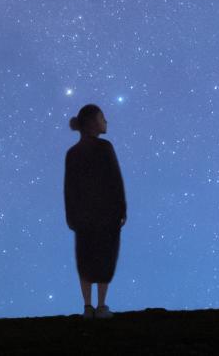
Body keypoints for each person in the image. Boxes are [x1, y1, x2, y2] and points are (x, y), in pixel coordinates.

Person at [64, 103, 127, 320]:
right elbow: (115, 180)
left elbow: (69, 189)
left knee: (86, 259)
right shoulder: (104, 148)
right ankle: (99, 306)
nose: (106, 121)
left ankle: (88, 307)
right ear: (93, 123)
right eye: (102, 118)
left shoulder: (72, 153)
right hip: (104, 214)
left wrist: (71, 216)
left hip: (84, 216)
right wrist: (121, 208)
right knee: (103, 259)